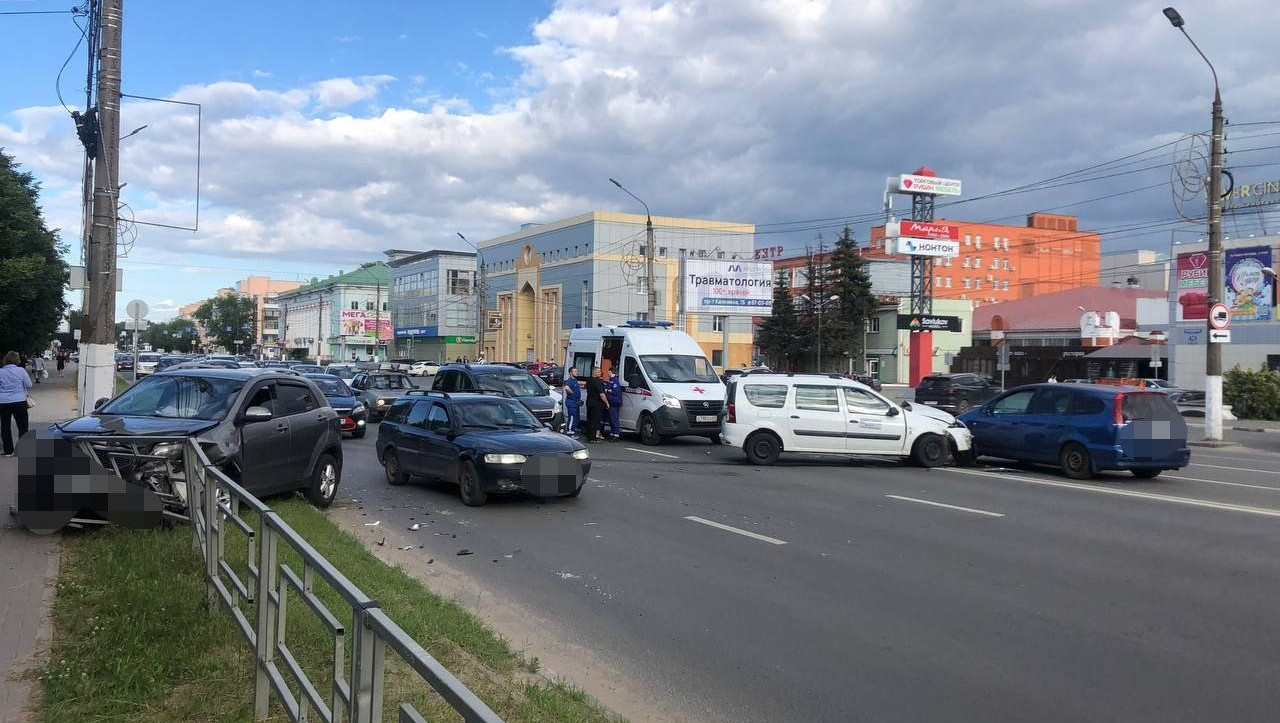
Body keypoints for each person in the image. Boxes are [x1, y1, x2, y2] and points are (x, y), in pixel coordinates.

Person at [0, 351, 33, 457]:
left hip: (3, 402)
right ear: (17, 360)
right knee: (23, 426)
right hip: (19, 401)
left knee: (5, 426)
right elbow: (29, 384)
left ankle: (8, 450)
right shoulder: (21, 370)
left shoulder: (0, 371)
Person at [583, 365, 607, 443]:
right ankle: (593, 438)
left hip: (589, 402)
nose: (601, 373)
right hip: (597, 404)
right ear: (595, 372)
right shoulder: (597, 382)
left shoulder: (589, 379)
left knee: (589, 420)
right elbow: (601, 394)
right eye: (599, 372)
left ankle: (589, 436)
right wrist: (607, 402)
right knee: (595, 421)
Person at [604, 367, 623, 439]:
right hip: (611, 401)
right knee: (611, 418)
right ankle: (612, 433)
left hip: (614, 401)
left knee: (614, 418)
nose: (607, 373)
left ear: (610, 372)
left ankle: (616, 434)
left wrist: (607, 390)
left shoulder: (615, 380)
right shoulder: (611, 380)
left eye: (608, 371)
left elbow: (615, 391)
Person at [562, 366, 582, 436]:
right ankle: (569, 433)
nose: (577, 373)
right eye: (575, 371)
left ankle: (572, 432)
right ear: (571, 373)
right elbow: (566, 388)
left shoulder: (575, 380)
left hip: (575, 402)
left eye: (577, 371)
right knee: (572, 417)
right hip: (571, 402)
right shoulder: (569, 380)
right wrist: (572, 393)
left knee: (576, 418)